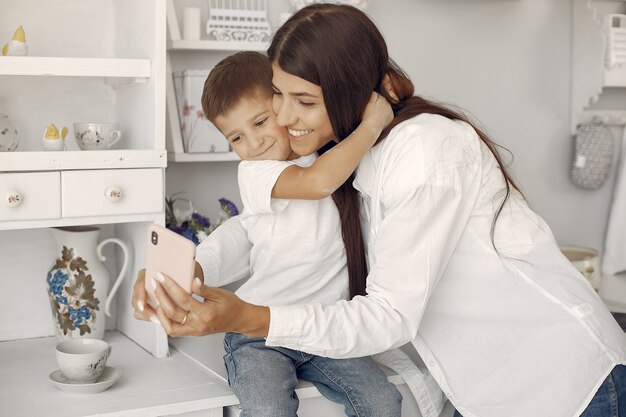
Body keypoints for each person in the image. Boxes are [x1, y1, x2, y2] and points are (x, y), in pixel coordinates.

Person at [133, 4, 626, 417]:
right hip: (485, 389)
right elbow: (257, 227)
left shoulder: (423, 150)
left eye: (302, 101)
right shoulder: (343, 155)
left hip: (566, 387)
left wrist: (253, 316)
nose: (282, 119)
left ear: (352, 93)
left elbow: (389, 314)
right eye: (279, 95)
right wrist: (193, 267)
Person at [143, 50, 402, 417]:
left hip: (322, 328)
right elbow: (319, 183)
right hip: (258, 333)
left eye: (261, 122)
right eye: (236, 137)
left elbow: (390, 93)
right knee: (268, 409)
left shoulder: (332, 152)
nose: (253, 143)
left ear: (283, 105)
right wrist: (371, 126)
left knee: (383, 401)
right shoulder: (256, 173)